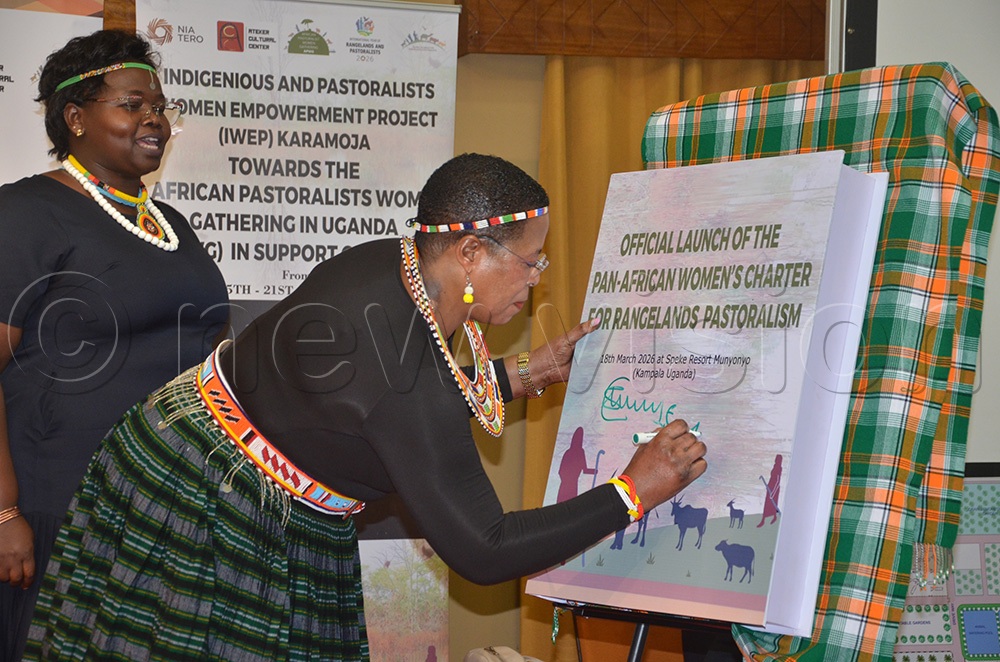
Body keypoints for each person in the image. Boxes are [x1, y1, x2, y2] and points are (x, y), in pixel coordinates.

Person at [24, 153, 706, 661]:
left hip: (185, 441)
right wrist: (633, 490)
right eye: (531, 263)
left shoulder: (393, 262)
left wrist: (513, 376)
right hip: (205, 502)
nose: (537, 280)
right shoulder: (398, 365)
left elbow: (363, 412)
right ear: (469, 252)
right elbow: (486, 549)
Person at [0, 30, 229, 661]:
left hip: (164, 504)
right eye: (131, 105)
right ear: (75, 118)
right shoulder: (25, 212)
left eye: (158, 106)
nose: (153, 119)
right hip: (60, 506)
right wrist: (2, 514)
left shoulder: (170, 223)